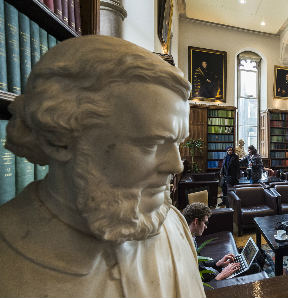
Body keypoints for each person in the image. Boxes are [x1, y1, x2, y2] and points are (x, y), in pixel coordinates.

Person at [0, 36, 205, 297]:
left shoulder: (175, 225)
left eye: (177, 142)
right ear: (60, 140)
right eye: (151, 143)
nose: (176, 165)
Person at [183, 203, 261, 282]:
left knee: (257, 256)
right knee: (255, 267)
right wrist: (221, 275)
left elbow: (201, 265)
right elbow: (199, 286)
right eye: (205, 223)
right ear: (196, 222)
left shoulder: (191, 237)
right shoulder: (185, 248)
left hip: (213, 274)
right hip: (215, 282)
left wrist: (218, 264)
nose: (206, 227)